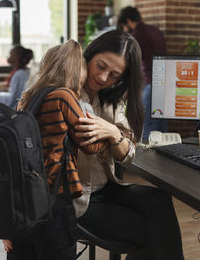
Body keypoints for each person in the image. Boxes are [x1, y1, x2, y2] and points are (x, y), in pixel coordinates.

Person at [74, 30, 184, 260]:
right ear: (89, 55)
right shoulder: (66, 92)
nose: (104, 78)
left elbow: (129, 155)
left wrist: (114, 134)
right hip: (76, 200)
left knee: (159, 201)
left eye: (114, 75)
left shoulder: (111, 99)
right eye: (101, 66)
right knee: (153, 233)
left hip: (105, 187)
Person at [3, 40, 107, 260]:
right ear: (74, 68)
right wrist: (111, 132)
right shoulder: (63, 96)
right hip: (52, 201)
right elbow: (91, 145)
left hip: (23, 203)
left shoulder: (27, 97)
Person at [118, 6, 168, 140]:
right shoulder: (156, 31)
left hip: (150, 85)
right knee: (162, 124)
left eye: (124, 26)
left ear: (128, 21)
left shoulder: (137, 35)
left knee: (149, 126)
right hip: (164, 85)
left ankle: (150, 159)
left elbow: (130, 64)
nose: (124, 29)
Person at [0, 45, 33, 109]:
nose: (8, 57)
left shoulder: (19, 74)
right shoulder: (25, 72)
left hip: (13, 112)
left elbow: (11, 99)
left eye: (10, 54)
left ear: (17, 57)